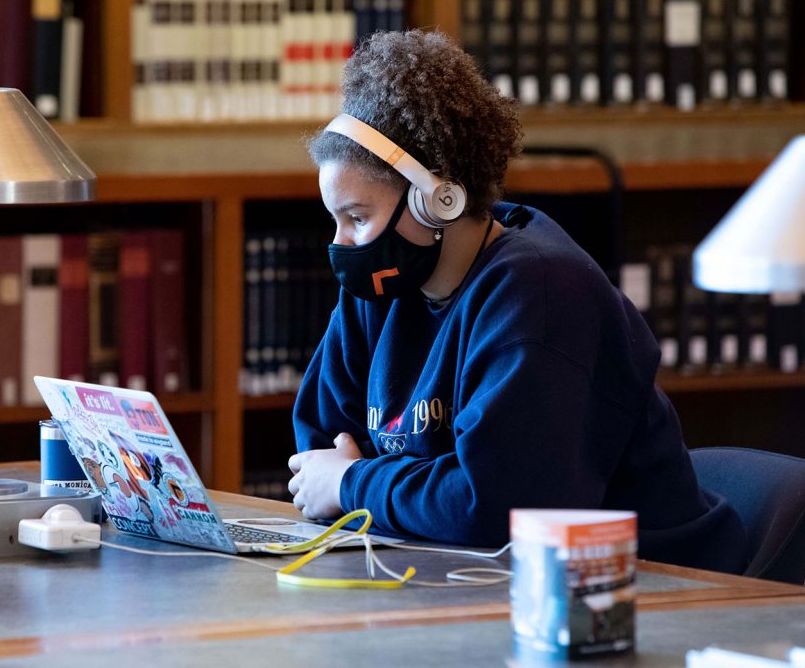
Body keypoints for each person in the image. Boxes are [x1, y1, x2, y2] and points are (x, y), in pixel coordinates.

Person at [287, 30, 746, 574]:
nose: (341, 243)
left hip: (650, 587)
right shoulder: (382, 286)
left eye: (358, 217)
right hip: (468, 574)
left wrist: (356, 483)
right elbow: (316, 451)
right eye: (335, 219)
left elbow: (494, 505)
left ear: (438, 199)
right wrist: (377, 488)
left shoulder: (541, 294)